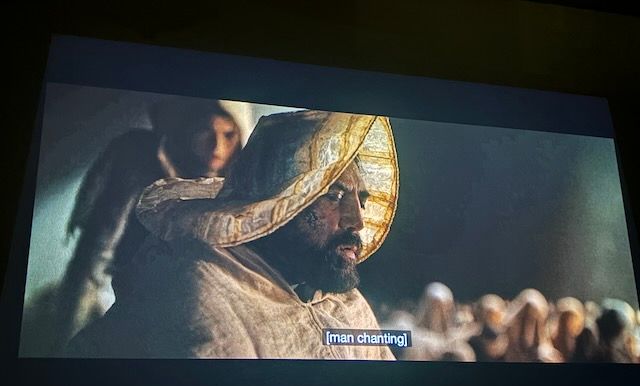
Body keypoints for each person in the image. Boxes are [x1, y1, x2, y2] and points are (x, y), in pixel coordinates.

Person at [66, 110, 399, 360]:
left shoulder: (346, 302)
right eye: (334, 195)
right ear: (277, 202)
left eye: (362, 201)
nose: (357, 222)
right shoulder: (201, 290)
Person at [45, 98, 243, 354]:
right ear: (189, 129)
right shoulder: (141, 160)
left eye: (229, 134)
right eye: (206, 131)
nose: (217, 145)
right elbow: (98, 248)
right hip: (116, 280)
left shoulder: (235, 188)